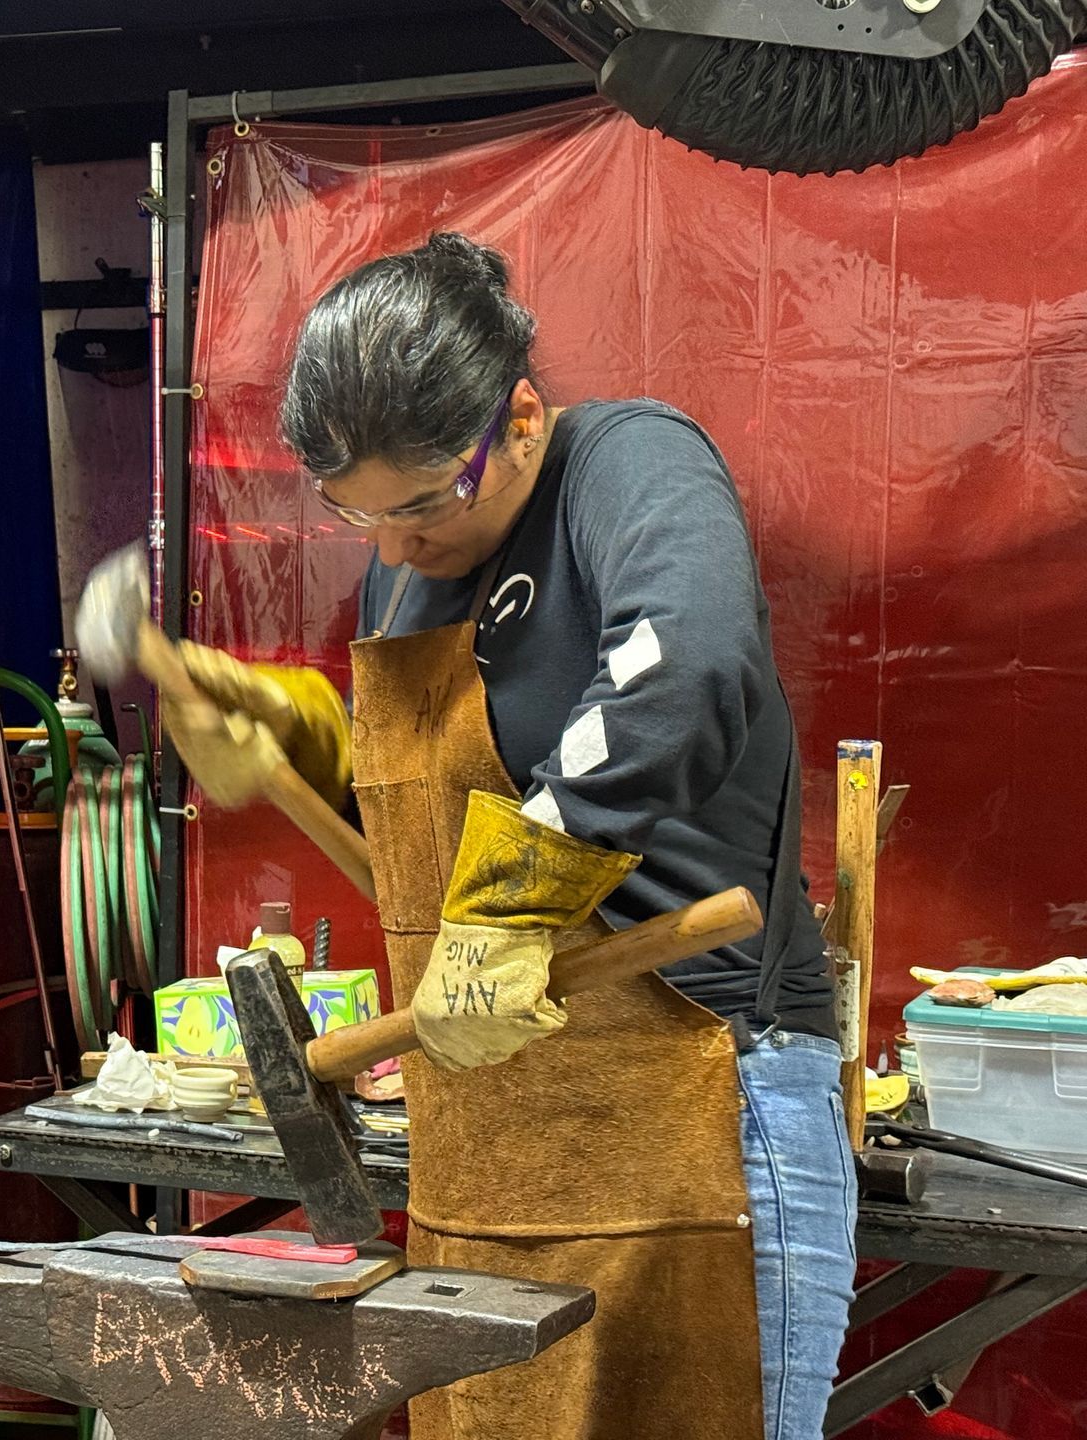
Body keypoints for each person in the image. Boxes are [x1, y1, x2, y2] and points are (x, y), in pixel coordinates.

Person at [163, 232, 856, 1440]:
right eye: (354, 512)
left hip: (695, 1122)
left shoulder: (626, 465)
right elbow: (452, 790)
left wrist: (514, 896)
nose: (391, 548)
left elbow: (681, 669)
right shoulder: (408, 571)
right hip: (489, 1160)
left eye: (425, 501)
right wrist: (302, 740)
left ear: (521, 418)